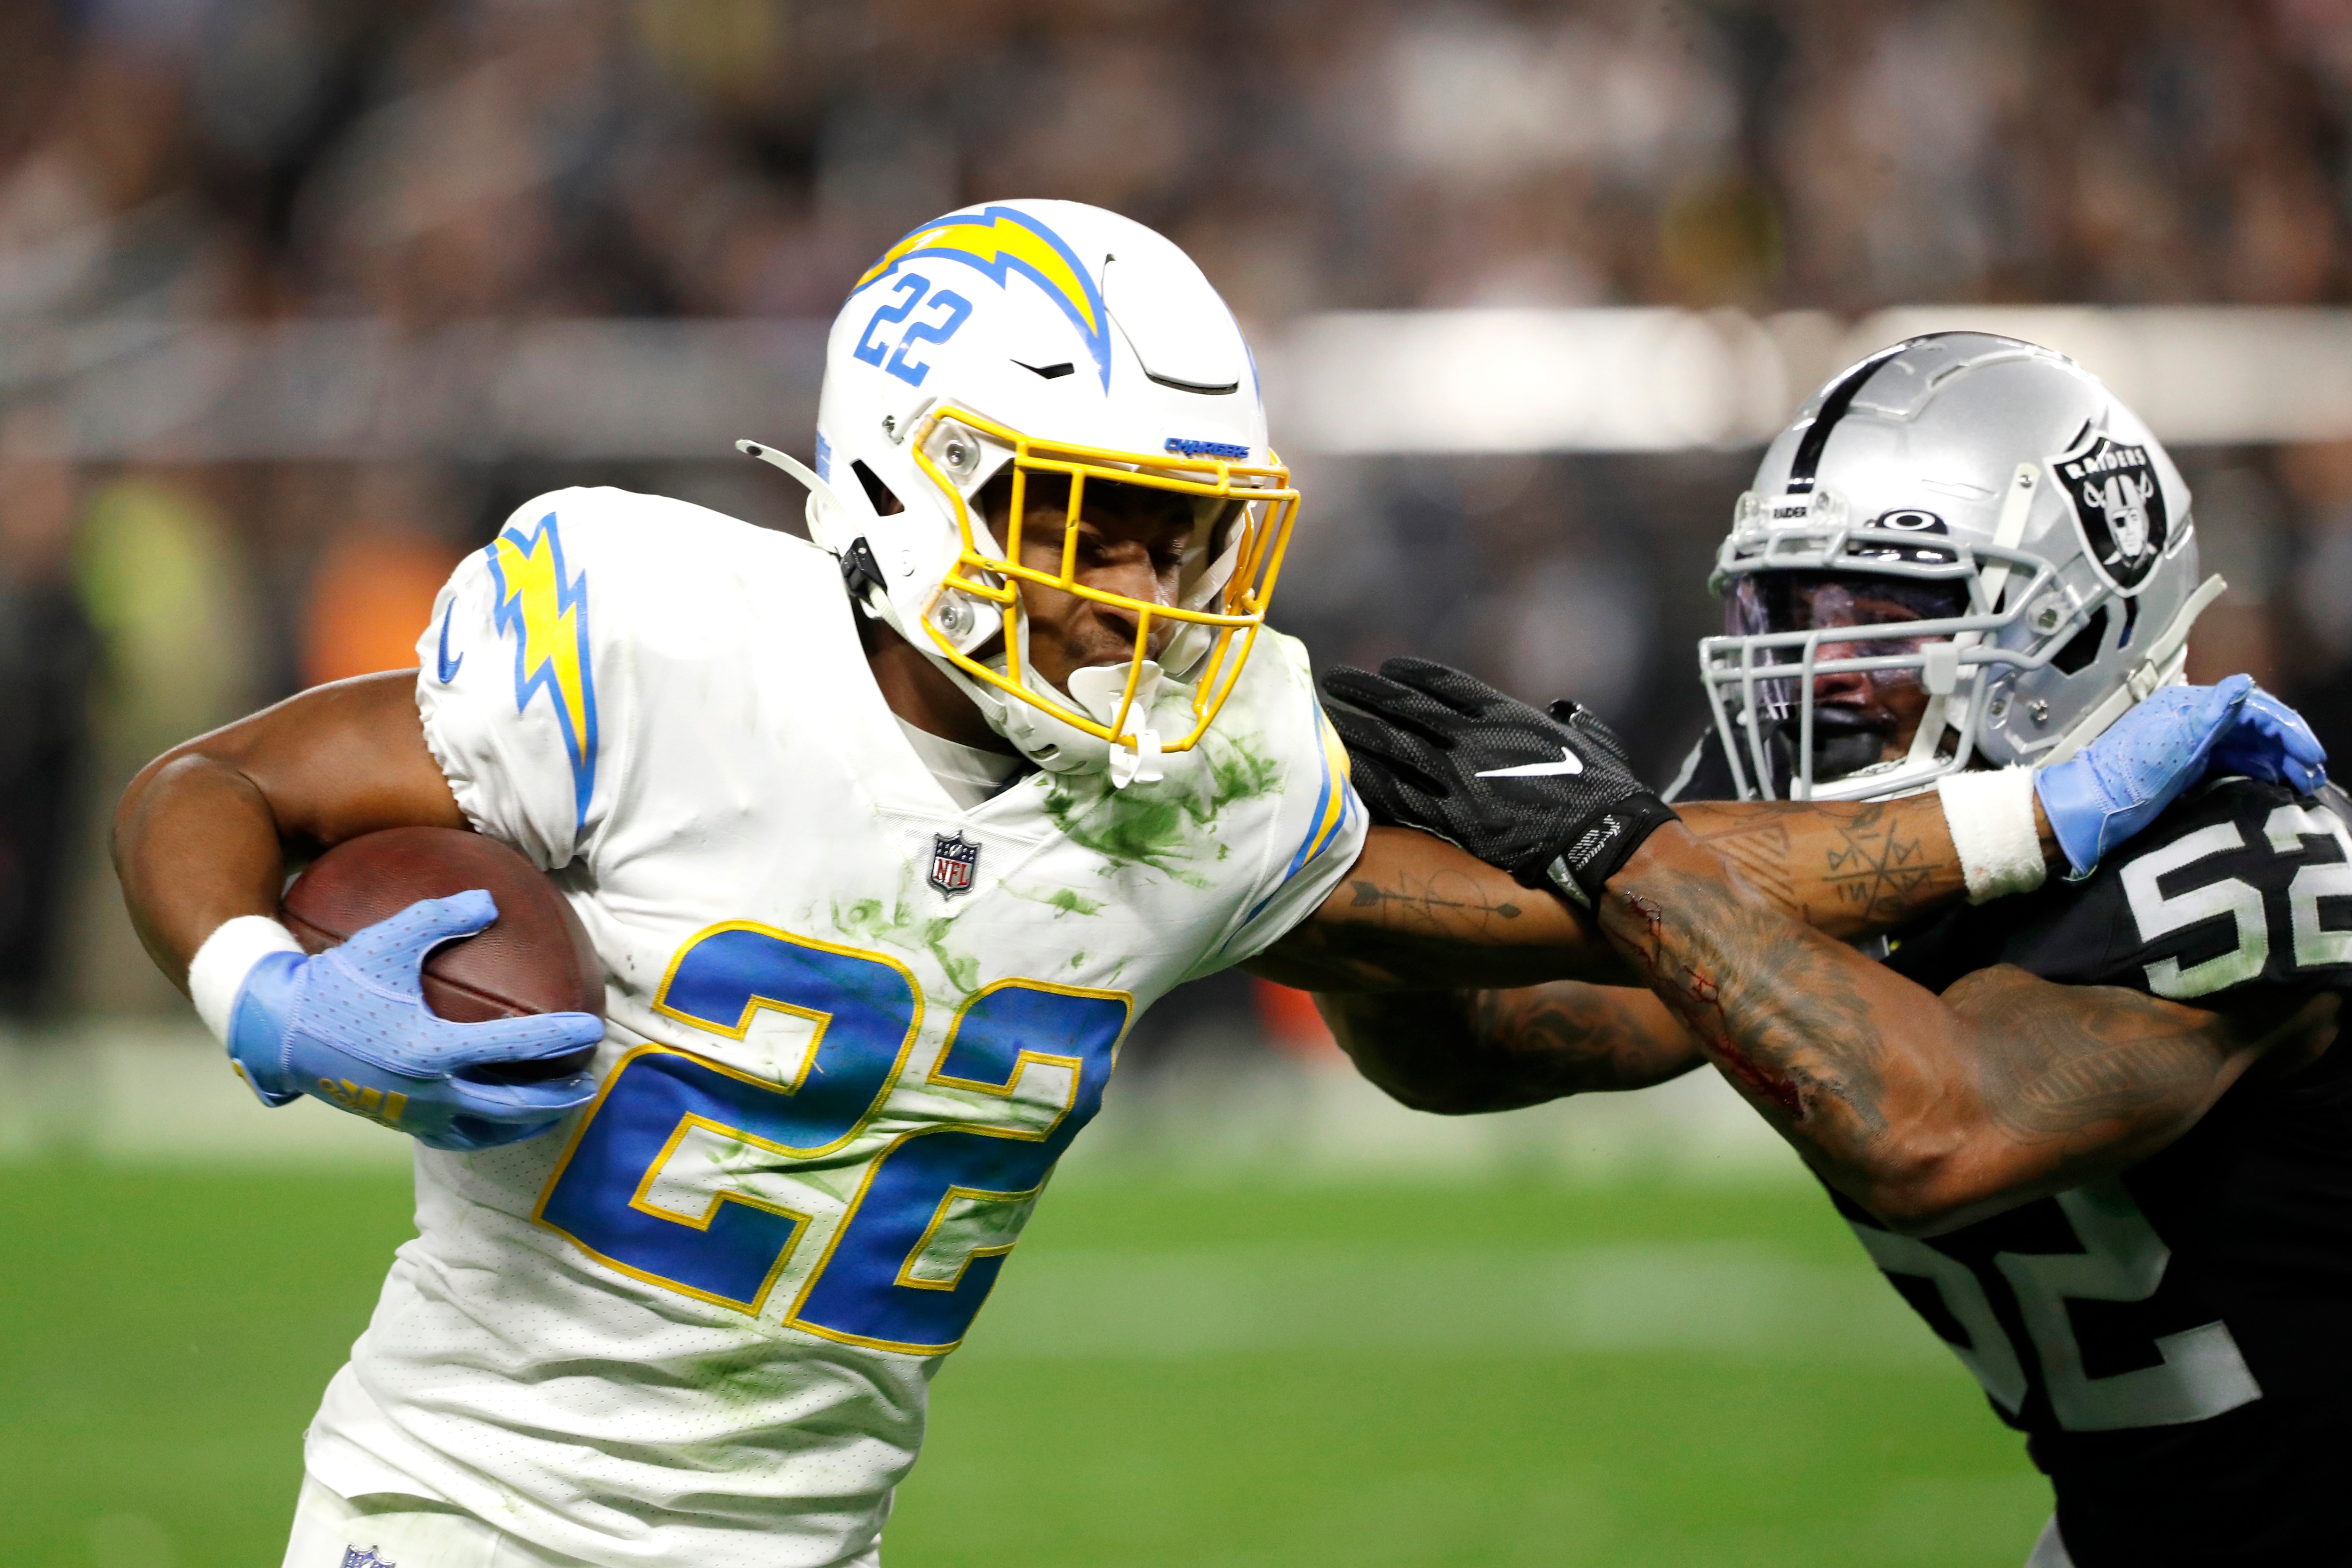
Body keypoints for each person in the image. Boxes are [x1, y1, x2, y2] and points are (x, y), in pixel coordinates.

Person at [114, 226, 2273, 1568]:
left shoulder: (1217, 765)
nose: (1151, 587)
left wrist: (2029, 815)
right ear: (907, 485)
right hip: (455, 1529)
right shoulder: (648, 632)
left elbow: (1587, 920)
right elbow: (213, 783)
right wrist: (249, 988)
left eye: (1175, 528)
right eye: (1090, 517)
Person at [1319, 333, 2349, 1568]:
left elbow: (1937, 1131)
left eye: (1880, 615)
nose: (1821, 672)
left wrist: (1618, 847)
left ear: (2074, 625)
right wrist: (1333, 865)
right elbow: (1475, 1046)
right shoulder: (1844, 829)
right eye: (1790, 608)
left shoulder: (2253, 856)